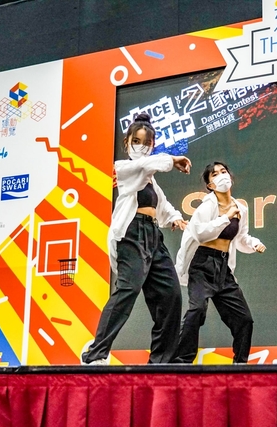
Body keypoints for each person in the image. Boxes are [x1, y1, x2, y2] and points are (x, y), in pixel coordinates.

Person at [82, 113, 192, 365]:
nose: (141, 146)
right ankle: (95, 353)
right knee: (128, 289)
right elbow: (146, 165)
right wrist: (173, 158)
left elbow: (162, 204)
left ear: (153, 145)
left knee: (171, 295)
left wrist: (175, 218)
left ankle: (161, 361)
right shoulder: (124, 168)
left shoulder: (150, 180)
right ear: (127, 142)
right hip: (132, 234)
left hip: (153, 236)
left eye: (147, 142)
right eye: (136, 141)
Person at [174, 162, 266, 364]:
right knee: (197, 310)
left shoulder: (241, 208)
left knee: (244, 319)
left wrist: (254, 243)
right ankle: (181, 362)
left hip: (223, 268)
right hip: (202, 263)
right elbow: (200, 233)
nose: (221, 176)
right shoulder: (207, 206)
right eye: (214, 174)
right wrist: (225, 217)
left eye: (223, 172)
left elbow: (241, 239)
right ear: (210, 185)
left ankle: (240, 365)